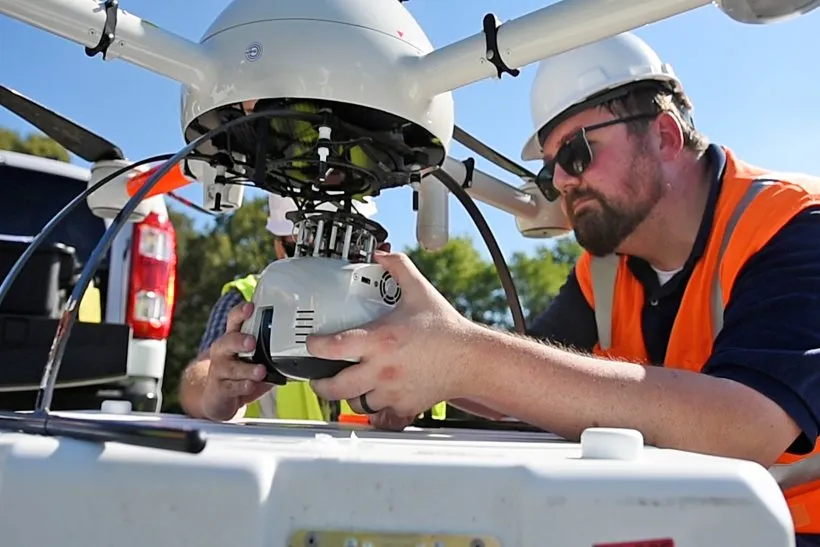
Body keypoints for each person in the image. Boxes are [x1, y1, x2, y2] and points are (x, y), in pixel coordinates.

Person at [300, 32, 820, 545]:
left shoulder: (792, 224)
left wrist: (467, 356)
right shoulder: (603, 271)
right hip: (678, 522)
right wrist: (409, 358)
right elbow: (527, 383)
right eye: (551, 170)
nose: (563, 182)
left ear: (664, 135)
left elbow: (749, 427)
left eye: (576, 153)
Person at [178, 193, 447, 427]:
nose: (321, 265)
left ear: (381, 253)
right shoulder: (247, 298)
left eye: (346, 249)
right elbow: (200, 372)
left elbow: (476, 384)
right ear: (279, 248)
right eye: (304, 248)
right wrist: (214, 392)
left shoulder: (410, 308)